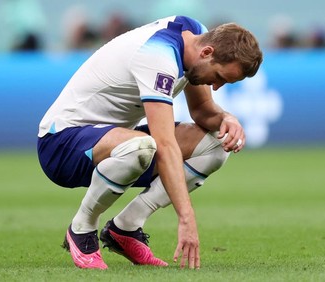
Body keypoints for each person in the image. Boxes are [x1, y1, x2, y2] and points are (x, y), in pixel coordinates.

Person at [37, 15, 262, 270]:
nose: (218, 86)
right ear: (208, 52)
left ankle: (126, 228)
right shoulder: (159, 56)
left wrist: (226, 117)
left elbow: (201, 109)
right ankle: (82, 228)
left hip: (114, 141)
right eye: (220, 76)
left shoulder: (196, 36)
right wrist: (186, 219)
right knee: (143, 147)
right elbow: (165, 147)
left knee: (217, 144)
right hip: (61, 144)